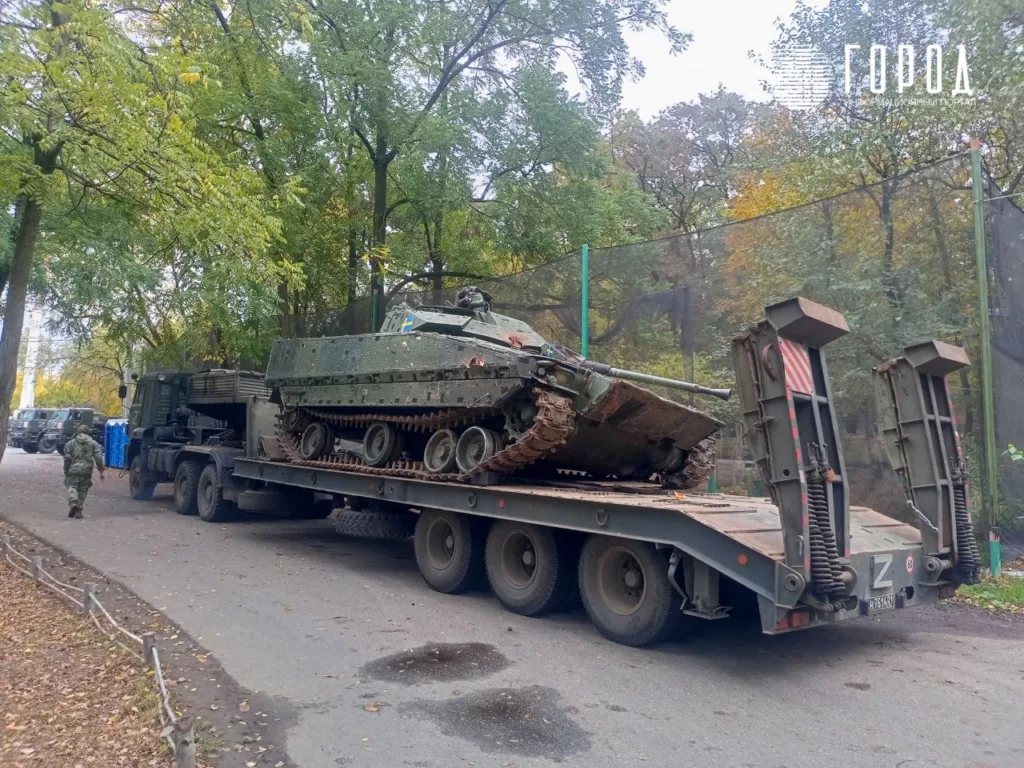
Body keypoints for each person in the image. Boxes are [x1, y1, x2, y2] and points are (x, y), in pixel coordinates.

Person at [63, 423, 105, 519]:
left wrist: (66, 470)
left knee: (72, 487)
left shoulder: (70, 443)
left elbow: (67, 458)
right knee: (83, 490)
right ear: (88, 432)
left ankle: (73, 502)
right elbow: (98, 457)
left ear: (77, 432)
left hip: (73, 470)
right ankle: (79, 511)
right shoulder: (94, 443)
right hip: (87, 471)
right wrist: (101, 470)